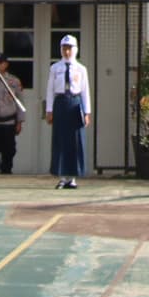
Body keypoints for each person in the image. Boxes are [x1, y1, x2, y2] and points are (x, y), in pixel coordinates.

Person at [45, 34, 91, 190]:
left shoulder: (81, 69)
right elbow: (50, 90)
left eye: (70, 48)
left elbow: (85, 91)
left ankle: (73, 178)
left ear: (75, 49)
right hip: (60, 103)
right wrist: (49, 110)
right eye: (64, 48)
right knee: (60, 140)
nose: (67, 52)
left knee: (75, 141)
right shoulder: (55, 68)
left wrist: (87, 112)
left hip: (75, 103)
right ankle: (62, 177)